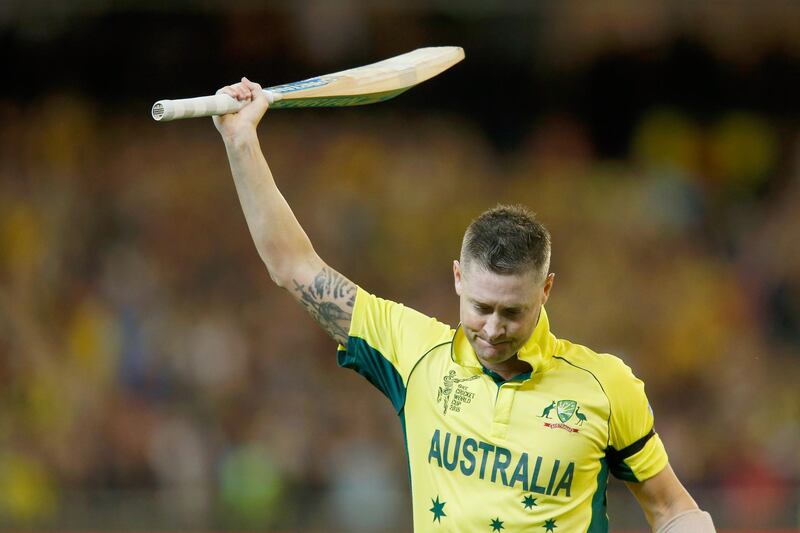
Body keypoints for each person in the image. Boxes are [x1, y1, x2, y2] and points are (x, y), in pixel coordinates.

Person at [213, 77, 716, 532]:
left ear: (546, 291)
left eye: (512, 311)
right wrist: (241, 142)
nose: (493, 329)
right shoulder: (413, 352)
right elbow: (295, 267)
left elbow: (672, 508)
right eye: (481, 307)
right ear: (457, 277)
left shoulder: (605, 387)